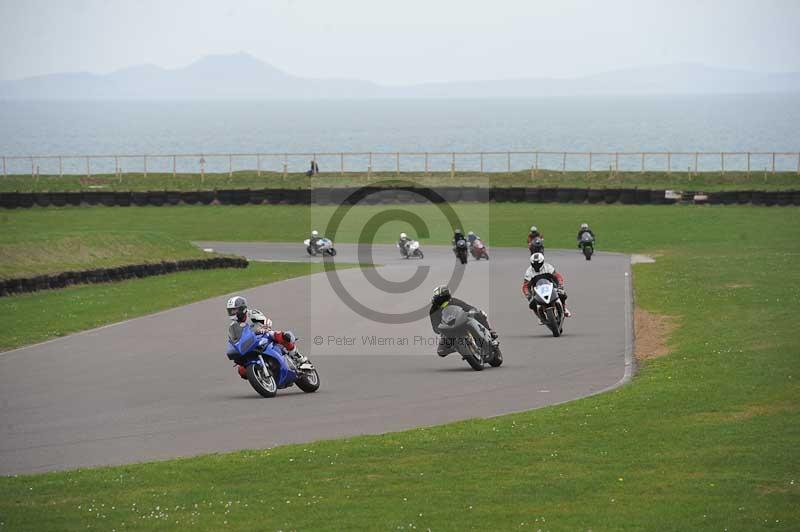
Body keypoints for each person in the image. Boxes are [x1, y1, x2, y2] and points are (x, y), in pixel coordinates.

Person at [226, 295, 306, 379]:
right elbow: (234, 339)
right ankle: (261, 375)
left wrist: (264, 328)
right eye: (230, 311)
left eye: (234, 310)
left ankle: (299, 358)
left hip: (262, 335)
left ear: (242, 308)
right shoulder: (233, 326)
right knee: (241, 370)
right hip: (250, 343)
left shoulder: (252, 313)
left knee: (282, 336)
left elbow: (266, 321)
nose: (232, 313)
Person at [429, 285, 499, 357]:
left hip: (460, 320)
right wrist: (439, 329)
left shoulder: (454, 301)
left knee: (479, 314)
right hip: (447, 328)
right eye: (441, 298)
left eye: (445, 298)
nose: (444, 300)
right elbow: (435, 325)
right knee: (441, 351)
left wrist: (472, 311)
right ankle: (458, 347)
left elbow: (466, 307)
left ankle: (489, 332)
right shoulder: (433, 310)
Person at [521, 253, 571, 318]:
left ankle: (564, 309)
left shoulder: (548, 267)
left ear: (542, 262)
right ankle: (540, 316)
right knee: (532, 304)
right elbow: (525, 286)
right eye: (534, 264)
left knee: (562, 295)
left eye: (538, 264)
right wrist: (528, 295)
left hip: (551, 288)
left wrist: (560, 285)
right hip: (537, 292)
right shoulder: (529, 271)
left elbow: (558, 276)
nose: (536, 266)